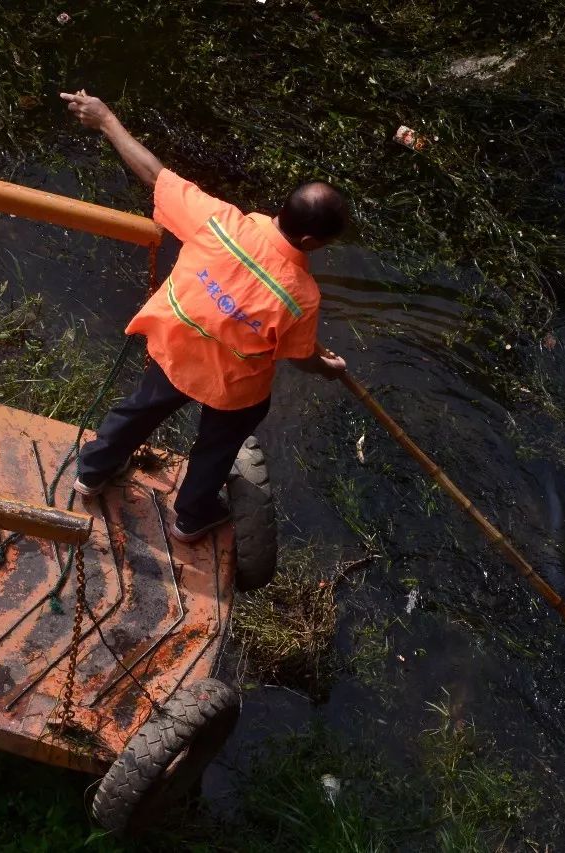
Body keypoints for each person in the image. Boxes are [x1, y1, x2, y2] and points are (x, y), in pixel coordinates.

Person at [60, 90, 348, 543]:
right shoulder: (301, 297)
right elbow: (298, 354)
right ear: (312, 242)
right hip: (232, 387)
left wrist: (108, 120)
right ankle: (191, 517)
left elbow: (155, 175)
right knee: (218, 444)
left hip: (176, 349)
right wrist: (326, 368)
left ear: (281, 210)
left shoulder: (219, 222)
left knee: (139, 409)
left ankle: (93, 472)